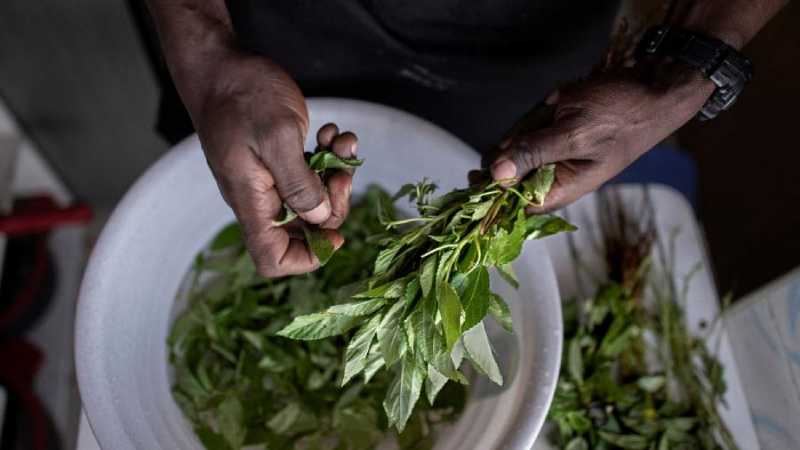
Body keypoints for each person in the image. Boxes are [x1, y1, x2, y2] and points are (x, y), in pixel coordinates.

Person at [144, 0, 786, 278]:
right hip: (267, 23)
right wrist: (204, 54)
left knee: (487, 176)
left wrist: (688, 73)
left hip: (526, 35)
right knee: (250, 176)